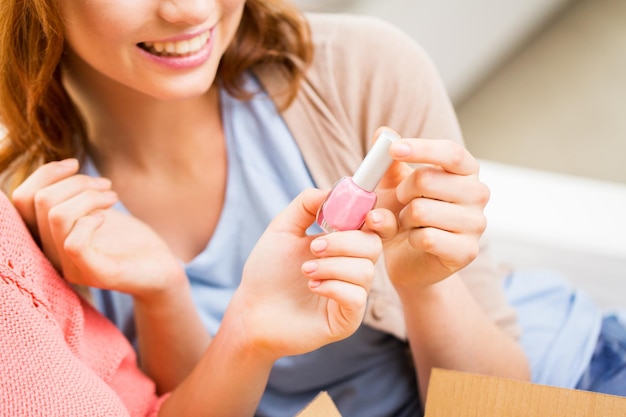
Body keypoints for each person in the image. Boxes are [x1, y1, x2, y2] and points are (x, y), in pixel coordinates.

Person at [0, 0, 530, 415]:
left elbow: (507, 406)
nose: (190, 9)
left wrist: (424, 287)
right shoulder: (27, 224)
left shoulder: (361, 70)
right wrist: (163, 297)